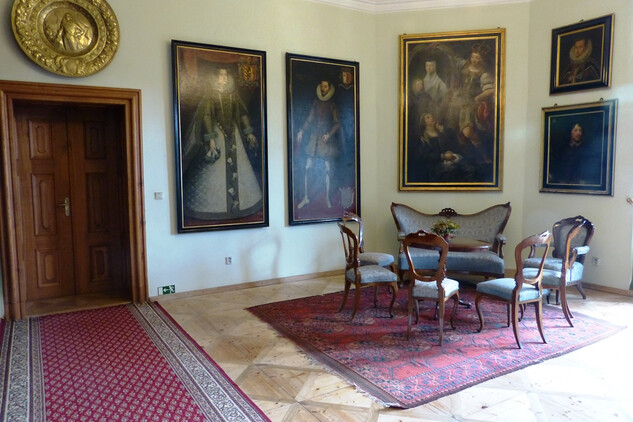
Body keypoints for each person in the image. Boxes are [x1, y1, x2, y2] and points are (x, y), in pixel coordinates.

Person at [181, 67, 262, 220]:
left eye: (225, 75)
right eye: (220, 75)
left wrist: (248, 132)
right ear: (215, 77)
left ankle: (241, 205)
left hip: (234, 133)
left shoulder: (233, 94)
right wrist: (211, 139)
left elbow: (242, 113)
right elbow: (206, 116)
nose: (223, 77)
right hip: (217, 132)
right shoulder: (210, 95)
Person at [296, 80, 342, 209]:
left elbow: (337, 123)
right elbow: (310, 119)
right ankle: (306, 197)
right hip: (314, 137)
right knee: (307, 168)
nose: (323, 88)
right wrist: (301, 130)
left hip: (325, 139)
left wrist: (329, 135)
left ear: (329, 88)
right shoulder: (316, 103)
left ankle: (327, 198)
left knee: (327, 169)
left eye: (325, 86)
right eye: (322, 86)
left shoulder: (332, 104)